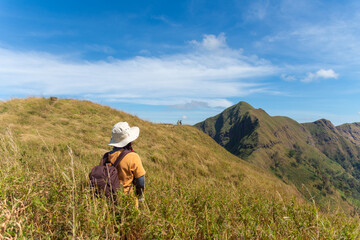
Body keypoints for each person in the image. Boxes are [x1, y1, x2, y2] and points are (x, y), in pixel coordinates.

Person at [107, 122, 146, 208]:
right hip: (128, 200)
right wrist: (140, 197)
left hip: (108, 200)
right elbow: (140, 181)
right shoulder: (132, 157)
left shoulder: (106, 157)